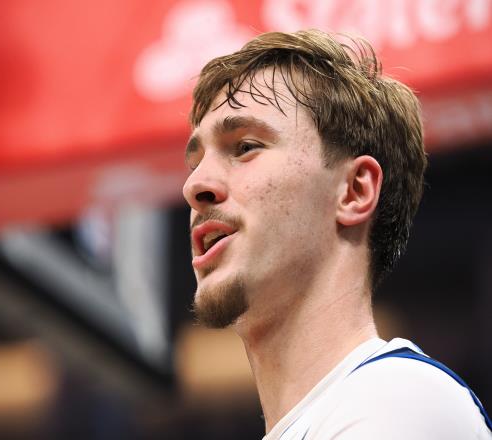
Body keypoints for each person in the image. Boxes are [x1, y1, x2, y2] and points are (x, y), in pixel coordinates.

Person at [182, 29, 491, 439]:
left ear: (354, 191)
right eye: (195, 163)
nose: (194, 186)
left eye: (245, 147)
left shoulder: (396, 402)